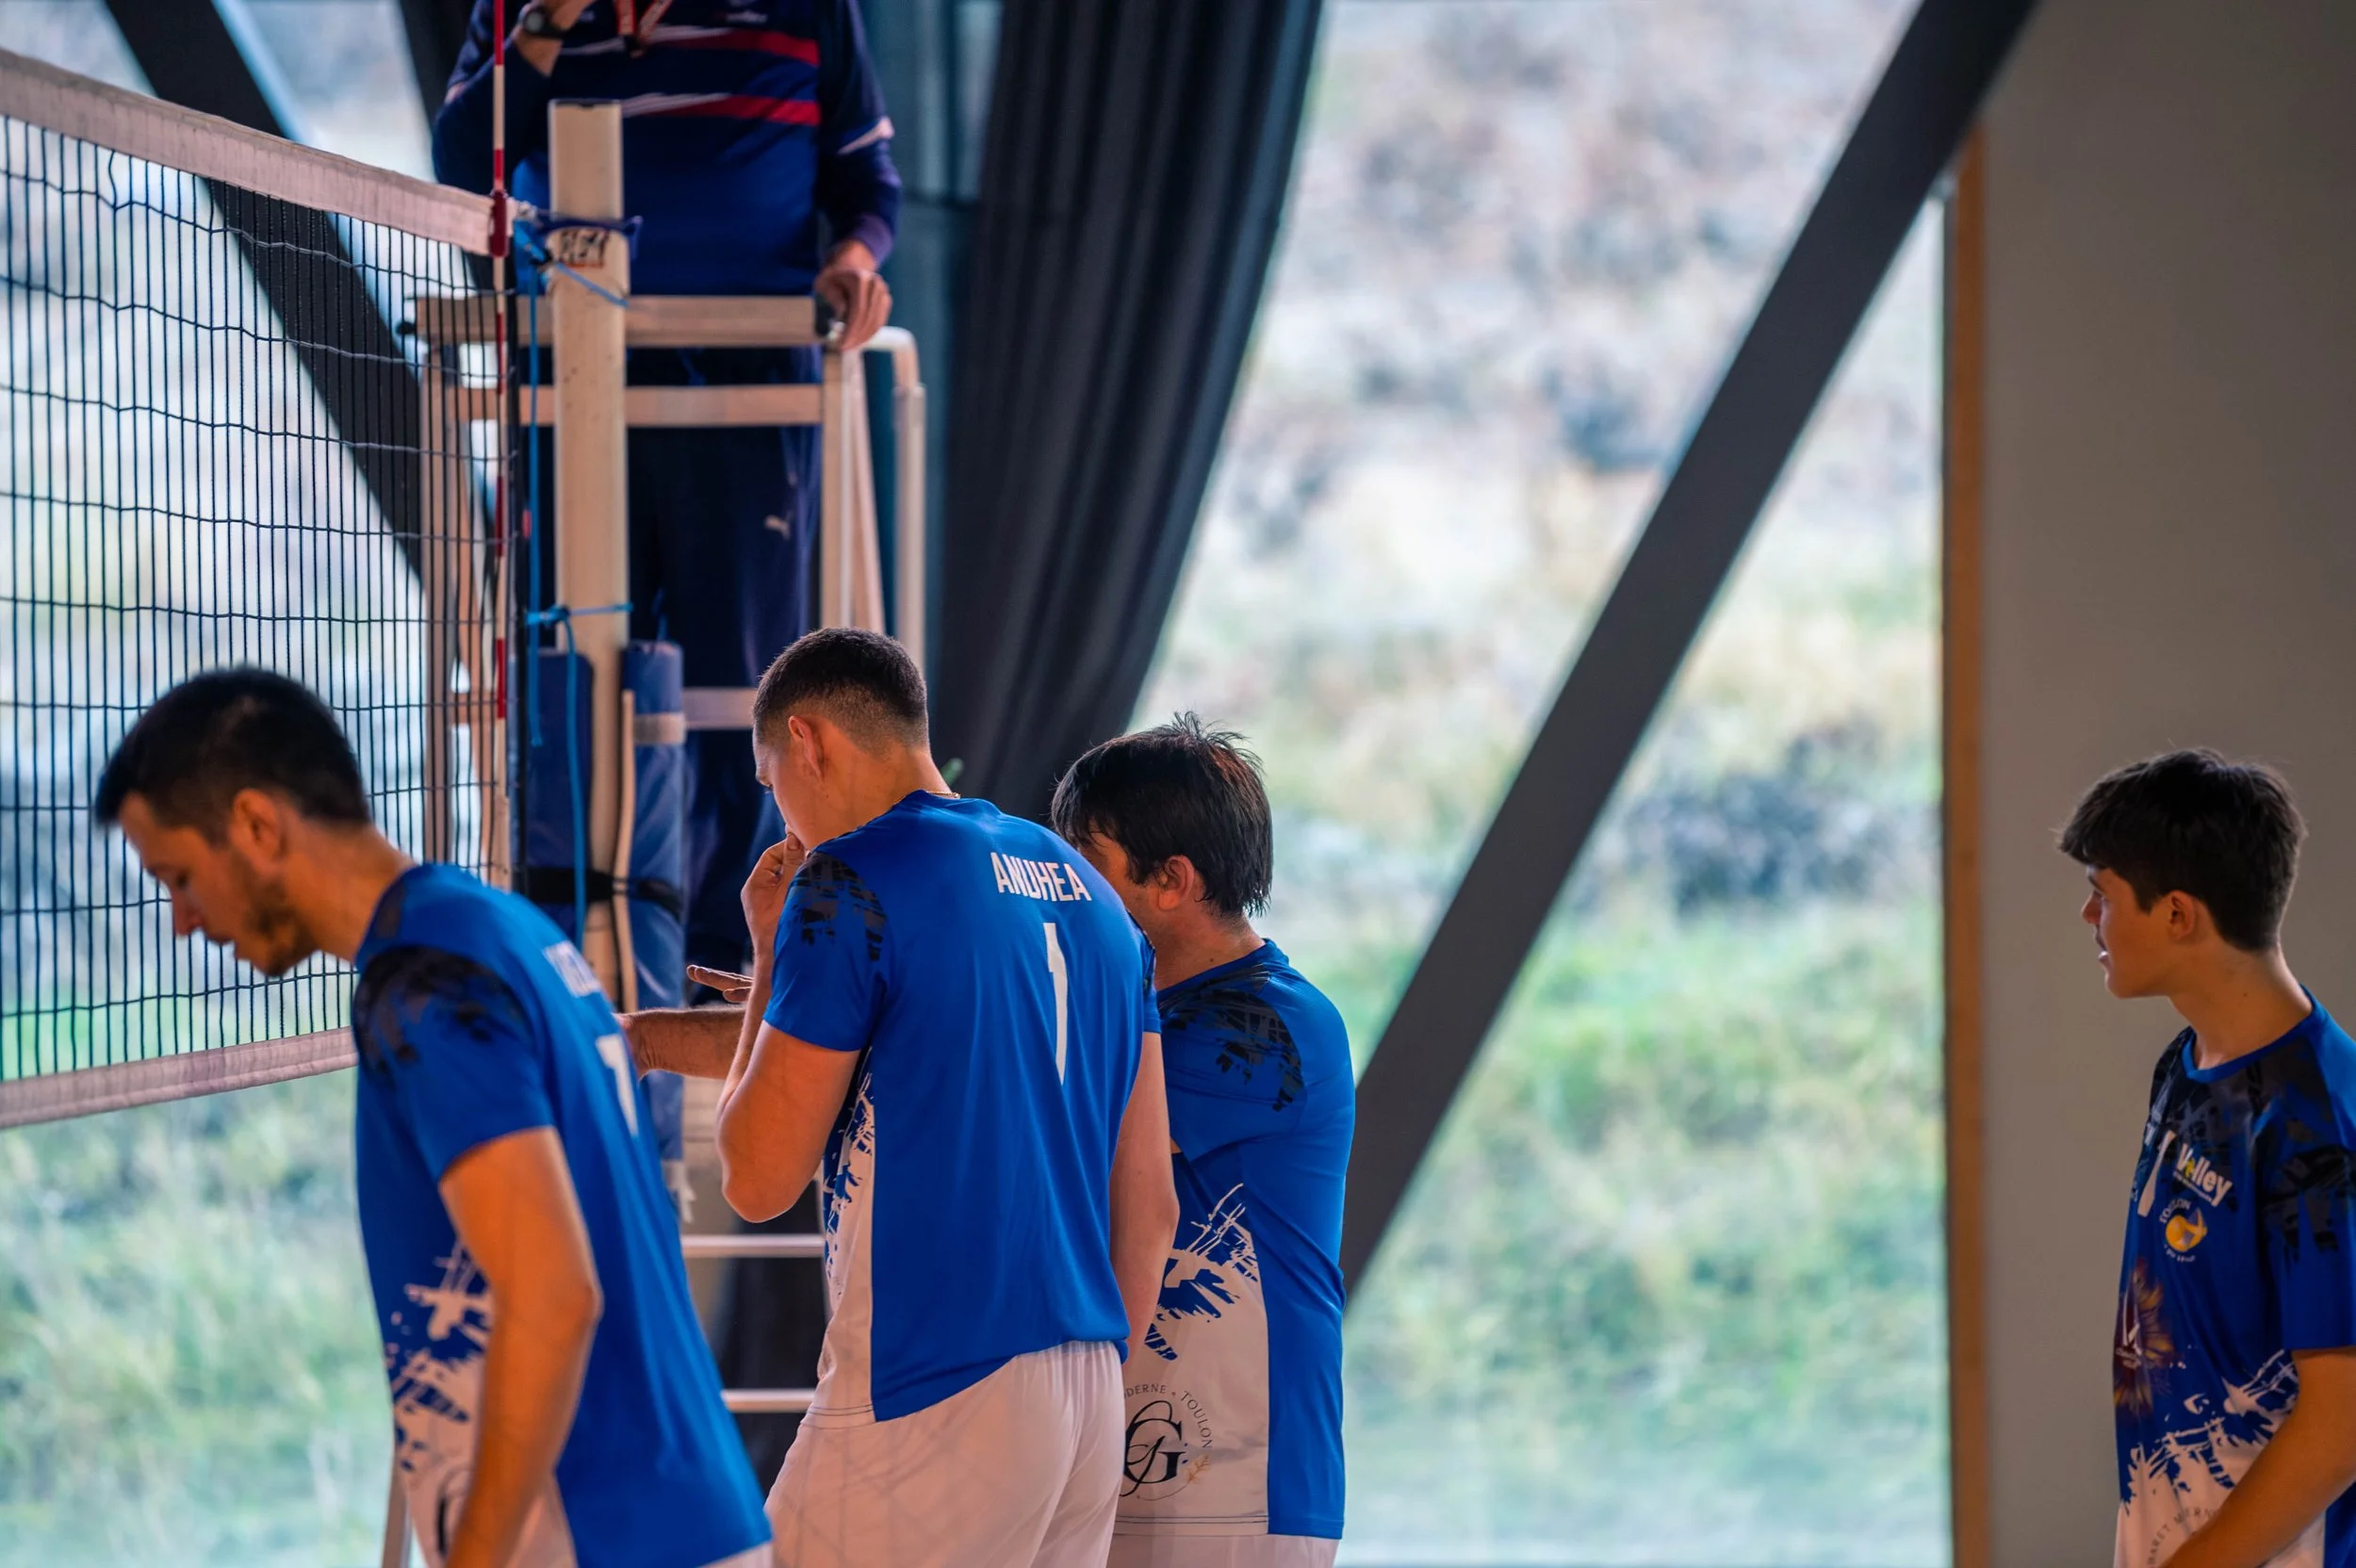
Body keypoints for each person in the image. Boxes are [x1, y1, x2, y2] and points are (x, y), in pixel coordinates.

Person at [94, 669, 768, 1568]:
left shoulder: (421, 981)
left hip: (608, 1535)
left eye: (178, 876)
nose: (182, 920)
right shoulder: (505, 927)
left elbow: (555, 1295)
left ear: (257, 825)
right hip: (682, 1513)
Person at [623, 627, 1180, 1568]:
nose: (785, 820)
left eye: (772, 785)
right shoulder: (1089, 891)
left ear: (808, 741)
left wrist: (770, 955)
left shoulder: (851, 881)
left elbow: (758, 1174)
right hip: (1086, 1390)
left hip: (936, 1376)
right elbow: (1150, 1196)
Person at [434, 0, 901, 980]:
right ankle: (563, 958)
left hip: (747, 372)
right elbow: (457, 162)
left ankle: (730, 966)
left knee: (744, 686)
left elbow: (868, 185)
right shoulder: (520, 9)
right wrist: (544, 31)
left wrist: (853, 266)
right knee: (564, 671)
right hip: (567, 376)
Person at [1050, 715, 1353, 1568]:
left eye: (1086, 863)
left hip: (1237, 1478)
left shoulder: (1265, 1029)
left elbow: (1024, 1105)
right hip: (1134, 1454)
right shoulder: (1136, 1011)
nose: (1065, 887)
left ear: (1171, 880)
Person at [2064, 749, 2356, 1568]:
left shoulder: (2318, 1128)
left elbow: (2342, 1425)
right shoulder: (2184, 1063)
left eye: (2103, 894)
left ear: (2179, 915)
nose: (2090, 918)